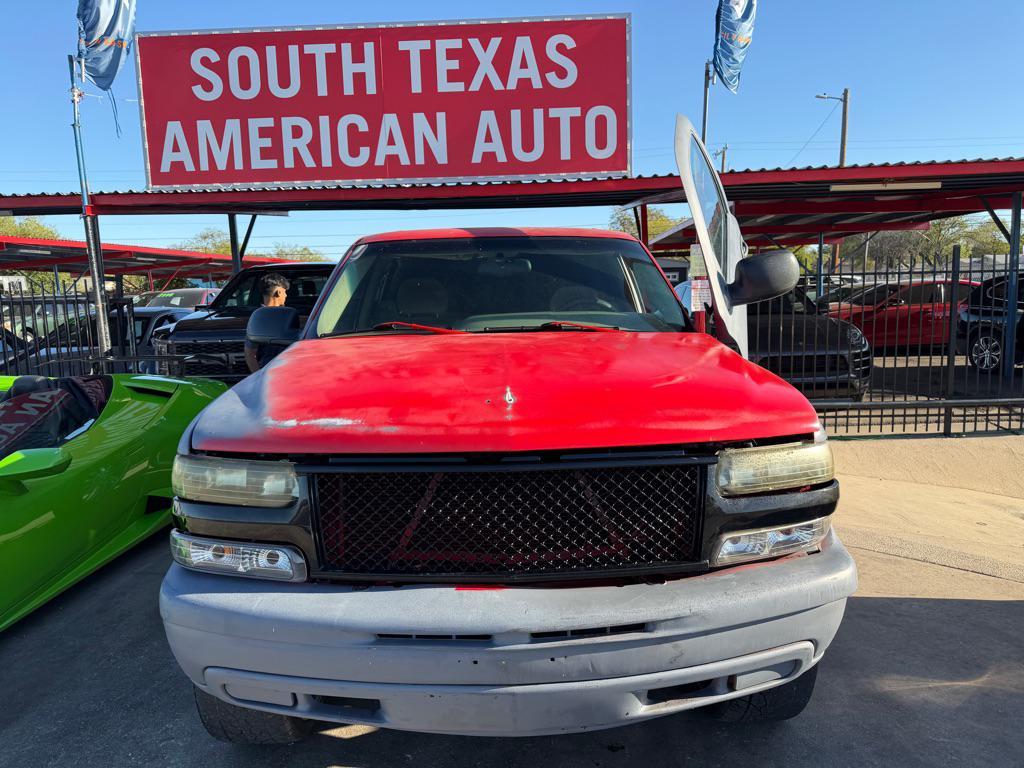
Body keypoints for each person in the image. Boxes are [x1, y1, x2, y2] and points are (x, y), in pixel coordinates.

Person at [244, 273, 290, 373]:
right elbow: (250, 353)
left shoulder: (257, 317)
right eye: (285, 291)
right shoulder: (286, 317)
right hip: (272, 373)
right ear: (279, 292)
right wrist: (259, 377)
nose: (286, 295)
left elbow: (249, 354)